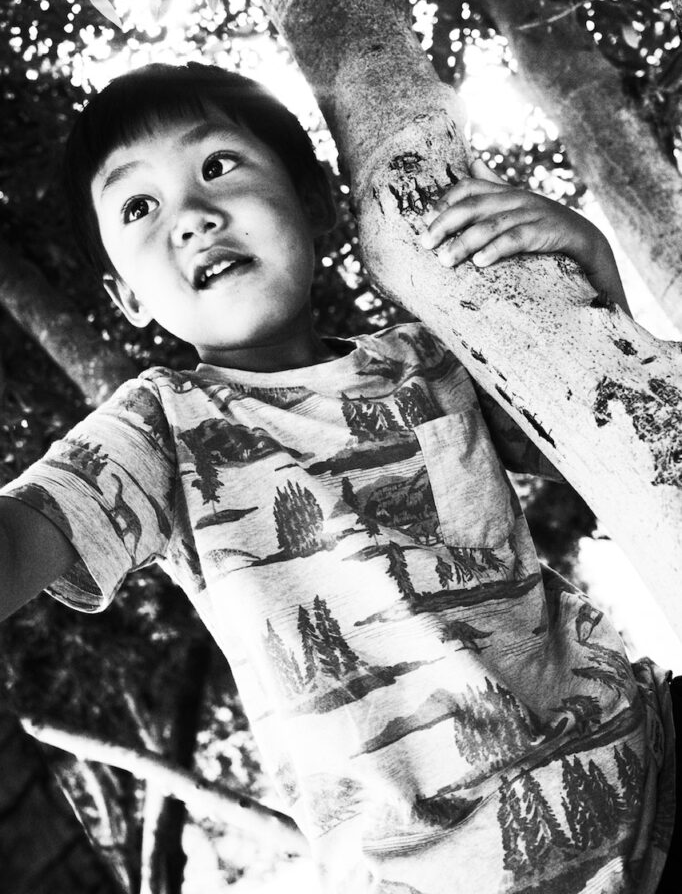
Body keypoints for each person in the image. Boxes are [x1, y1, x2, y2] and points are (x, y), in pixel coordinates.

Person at [0, 62, 676, 893]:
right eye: (138, 207)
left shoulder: (431, 355)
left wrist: (595, 276)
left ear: (315, 203)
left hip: (653, 772)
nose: (193, 218)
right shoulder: (158, 429)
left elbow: (618, 444)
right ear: (125, 297)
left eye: (218, 165)